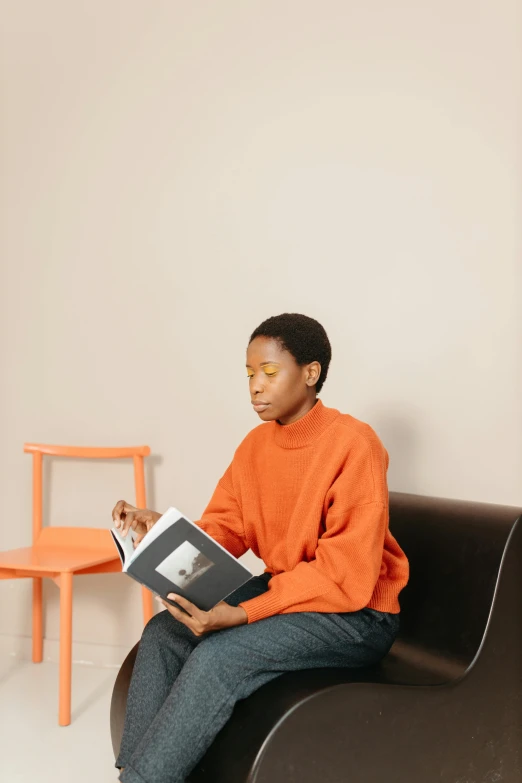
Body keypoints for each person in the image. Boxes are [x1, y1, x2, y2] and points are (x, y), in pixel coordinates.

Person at [112, 312, 409, 783]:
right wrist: (162, 532)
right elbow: (225, 528)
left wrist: (243, 613)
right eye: (249, 373)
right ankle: (135, 770)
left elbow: (344, 574)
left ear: (310, 374)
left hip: (357, 615)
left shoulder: (355, 444)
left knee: (218, 656)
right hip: (295, 594)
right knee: (164, 633)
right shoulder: (255, 446)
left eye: (270, 373)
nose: (255, 386)